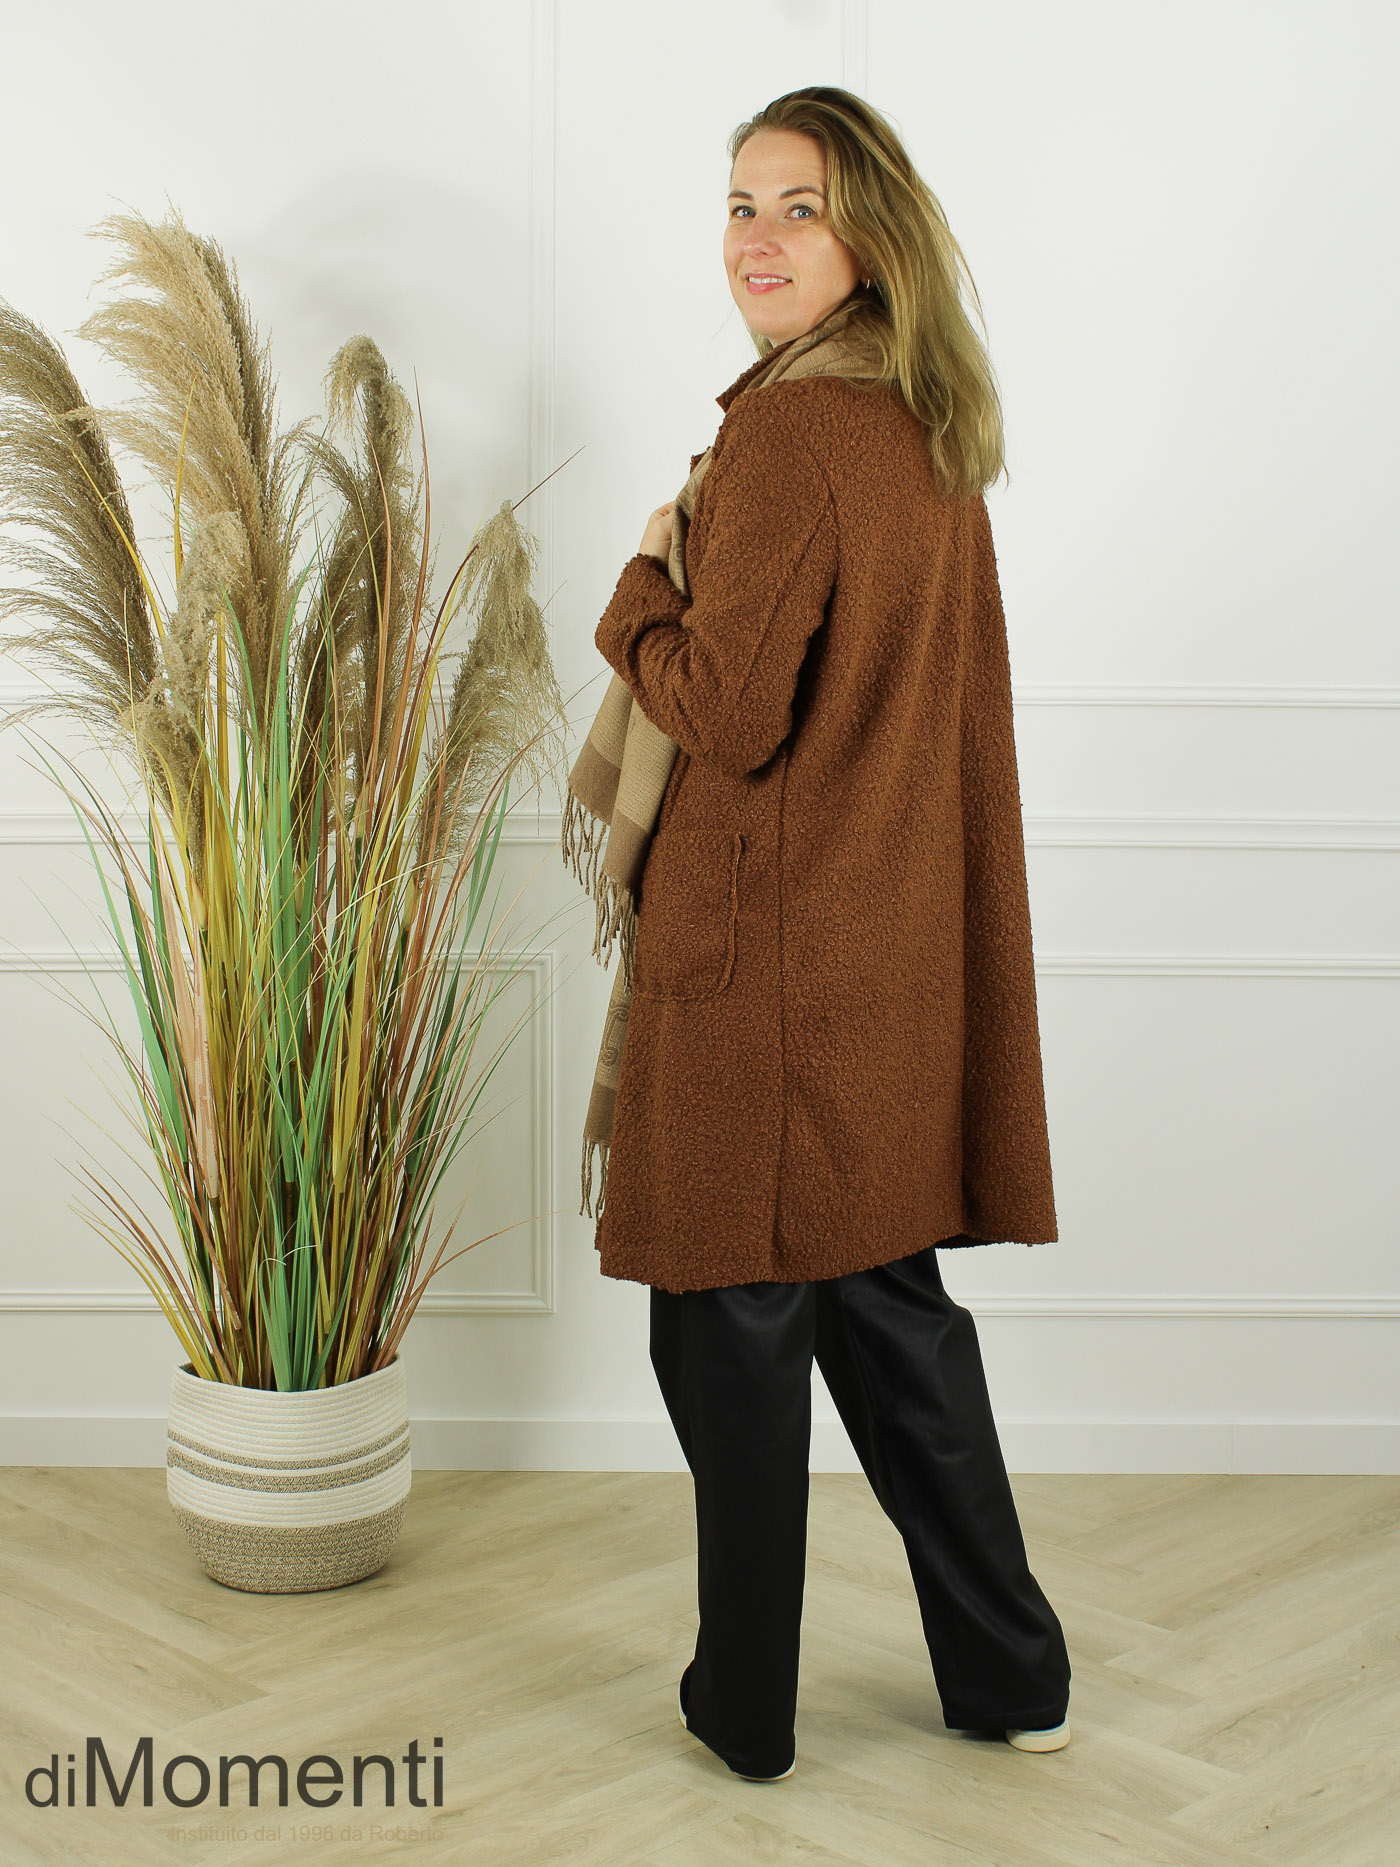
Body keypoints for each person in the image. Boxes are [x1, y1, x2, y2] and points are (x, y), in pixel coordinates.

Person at [587, 86, 1072, 1783]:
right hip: (877, 957)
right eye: (740, 205)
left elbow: (725, 711)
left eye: (798, 206)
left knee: (722, 1327)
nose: (759, 238)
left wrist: (637, 599)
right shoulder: (925, 425)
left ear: (868, 234)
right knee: (886, 1318)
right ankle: (1011, 1672)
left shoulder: (795, 434)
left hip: (765, 966)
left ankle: (747, 1707)